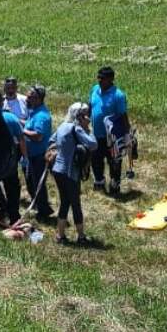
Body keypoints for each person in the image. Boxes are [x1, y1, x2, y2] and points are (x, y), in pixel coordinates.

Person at [52, 103, 98, 244]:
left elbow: (52, 140)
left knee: (64, 202)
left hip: (57, 170)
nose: (87, 117)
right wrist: (88, 129)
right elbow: (93, 144)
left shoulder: (62, 126)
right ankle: (81, 237)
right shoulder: (76, 128)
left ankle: (60, 235)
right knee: (75, 204)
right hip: (70, 172)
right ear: (79, 116)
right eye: (85, 115)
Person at [0, 89, 27, 225]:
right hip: (8, 159)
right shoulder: (11, 118)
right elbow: (21, 139)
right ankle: (13, 216)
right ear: (1, 102)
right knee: (12, 188)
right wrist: (25, 158)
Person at [89, 66, 130, 195]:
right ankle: (99, 182)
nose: (99, 80)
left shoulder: (118, 95)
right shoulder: (95, 90)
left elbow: (123, 116)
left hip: (112, 137)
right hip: (96, 134)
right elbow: (90, 106)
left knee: (114, 161)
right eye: (98, 77)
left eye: (103, 78)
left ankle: (115, 184)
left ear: (111, 79)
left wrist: (126, 134)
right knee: (96, 160)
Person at [23, 85, 54, 220]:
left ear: (39, 99)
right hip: (32, 156)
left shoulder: (41, 116)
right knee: (31, 182)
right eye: (28, 96)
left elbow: (38, 136)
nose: (27, 99)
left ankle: (44, 211)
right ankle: (40, 206)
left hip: (39, 156)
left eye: (31, 97)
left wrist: (21, 131)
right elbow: (29, 125)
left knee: (38, 185)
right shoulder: (34, 111)